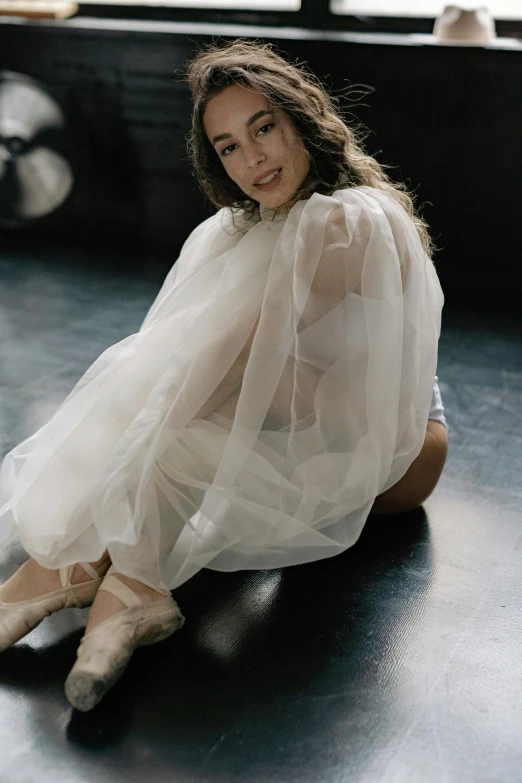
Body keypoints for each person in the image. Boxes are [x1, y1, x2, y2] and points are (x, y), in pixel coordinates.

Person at [0, 41, 448, 711]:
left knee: (176, 425)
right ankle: (119, 585)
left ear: (301, 118)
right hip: (296, 411)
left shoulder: (349, 222)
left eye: (263, 127)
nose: (252, 158)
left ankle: (79, 570)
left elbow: (234, 355)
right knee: (151, 394)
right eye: (229, 146)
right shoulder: (244, 225)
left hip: (396, 447)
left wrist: (125, 462)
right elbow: (179, 354)